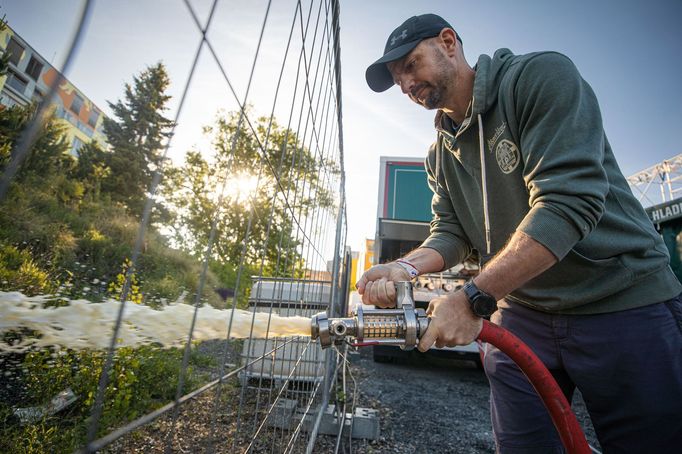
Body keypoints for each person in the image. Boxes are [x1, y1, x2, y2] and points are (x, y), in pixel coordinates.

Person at [357, 13, 682, 453]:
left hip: (620, 299)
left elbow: (567, 203)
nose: (406, 84)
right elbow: (451, 232)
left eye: (411, 65)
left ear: (449, 42)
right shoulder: (440, 154)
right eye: (398, 80)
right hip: (523, 310)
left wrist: (473, 298)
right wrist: (403, 268)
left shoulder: (537, 79)